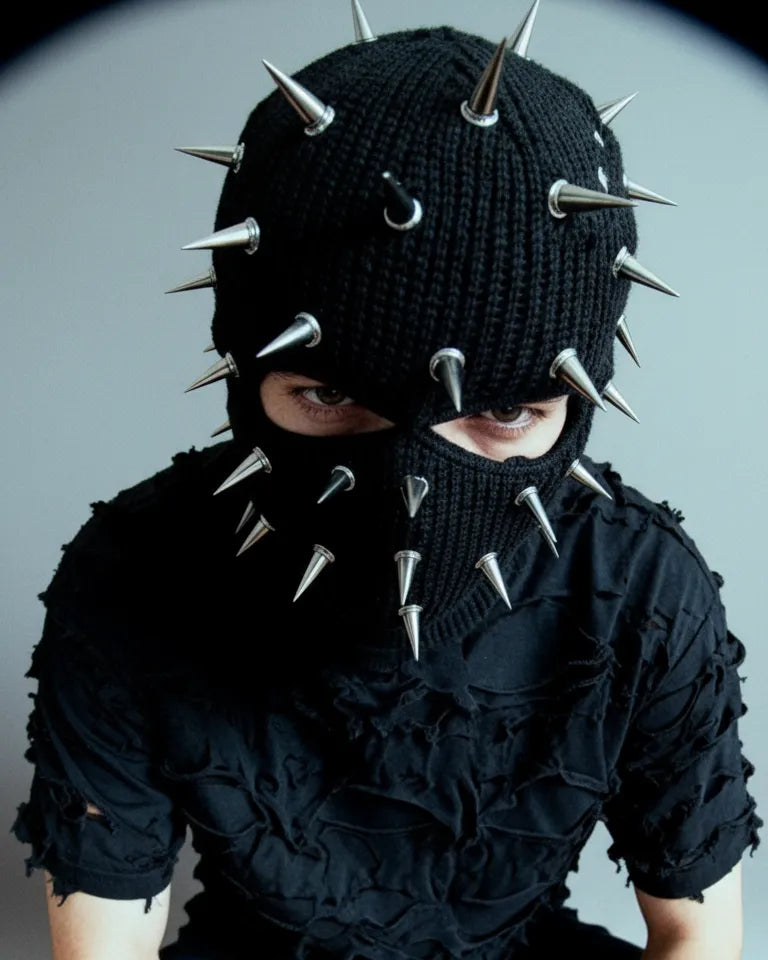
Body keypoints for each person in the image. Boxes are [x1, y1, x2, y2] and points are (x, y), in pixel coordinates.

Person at [12, 3, 761, 958]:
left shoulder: (638, 588)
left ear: (578, 399)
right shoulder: (137, 570)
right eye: (328, 394)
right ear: (248, 366)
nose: (408, 486)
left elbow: (696, 936)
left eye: (505, 413)